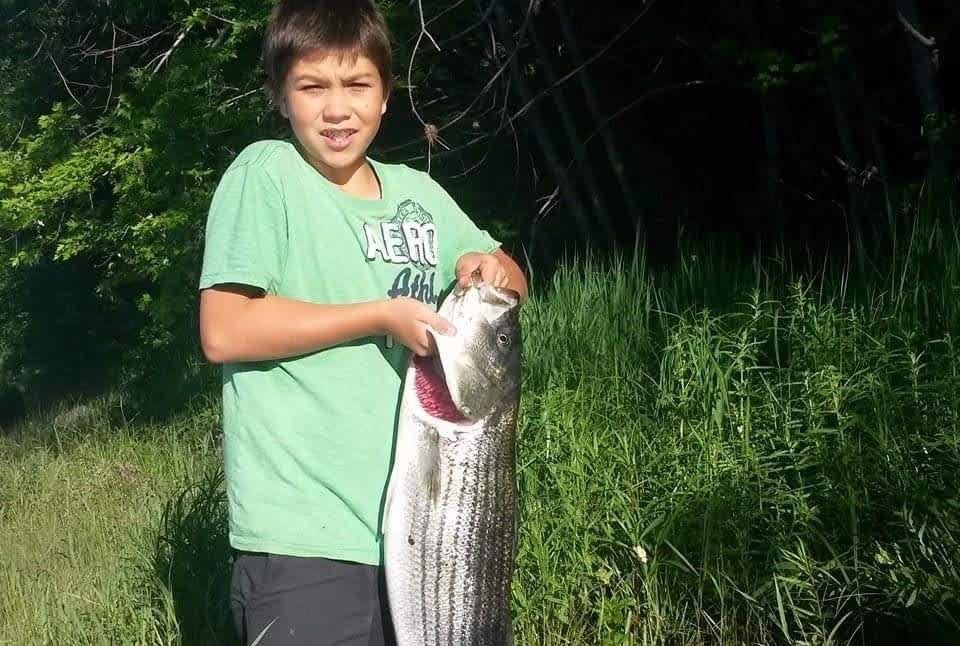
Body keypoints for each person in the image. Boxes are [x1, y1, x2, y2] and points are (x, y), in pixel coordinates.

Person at [196, 0, 528, 644]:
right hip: (308, 537)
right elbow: (225, 329)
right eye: (312, 87)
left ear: (385, 95)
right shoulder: (266, 175)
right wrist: (378, 315)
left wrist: (485, 265)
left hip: (439, 535)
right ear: (278, 96)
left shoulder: (418, 194)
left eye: (357, 85)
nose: (337, 108)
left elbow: (511, 281)